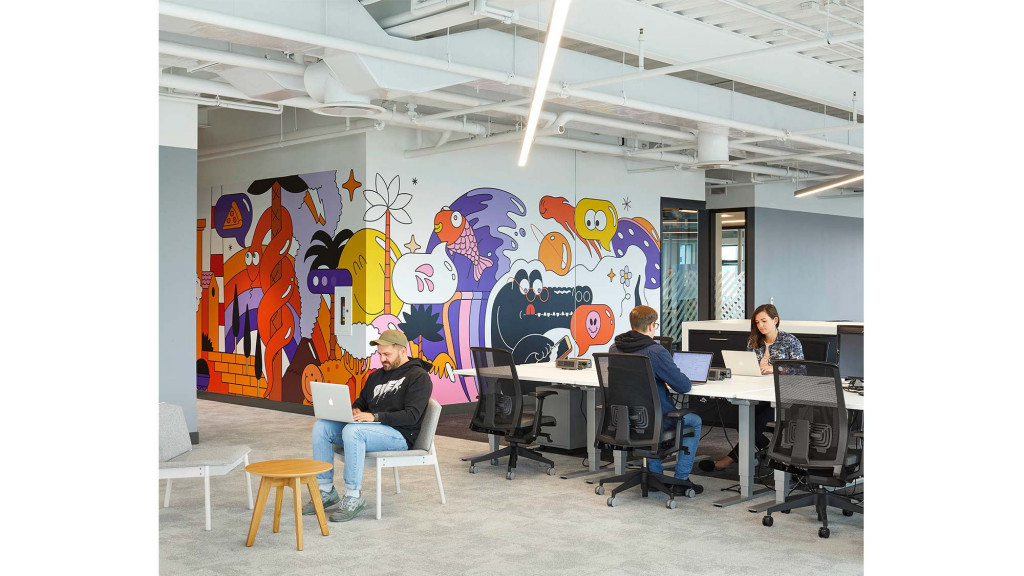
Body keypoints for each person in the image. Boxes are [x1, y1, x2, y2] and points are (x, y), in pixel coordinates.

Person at [303, 329, 433, 522]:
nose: (382, 359)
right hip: (370, 431)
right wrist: (355, 410)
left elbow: (412, 416)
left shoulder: (418, 377)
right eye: (380, 354)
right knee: (322, 427)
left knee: (353, 432)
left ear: (402, 351)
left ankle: (354, 496)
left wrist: (375, 417)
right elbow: (362, 402)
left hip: (400, 436)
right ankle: (325, 490)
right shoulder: (376, 377)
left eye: (387, 354)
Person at [608, 305, 704, 495]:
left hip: (625, 419)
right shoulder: (656, 351)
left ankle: (654, 476)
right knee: (694, 422)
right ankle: (680, 480)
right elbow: (683, 386)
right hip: (655, 418)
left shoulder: (614, 347)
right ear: (652, 325)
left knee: (650, 417)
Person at [699, 303, 804, 472]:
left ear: (775, 320)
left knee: (756, 420)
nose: (760, 325)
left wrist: (776, 368)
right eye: (757, 322)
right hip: (757, 392)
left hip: (780, 396)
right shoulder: (754, 341)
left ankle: (730, 458)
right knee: (740, 418)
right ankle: (765, 446)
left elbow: (801, 370)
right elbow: (748, 366)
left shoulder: (790, 341)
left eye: (764, 321)